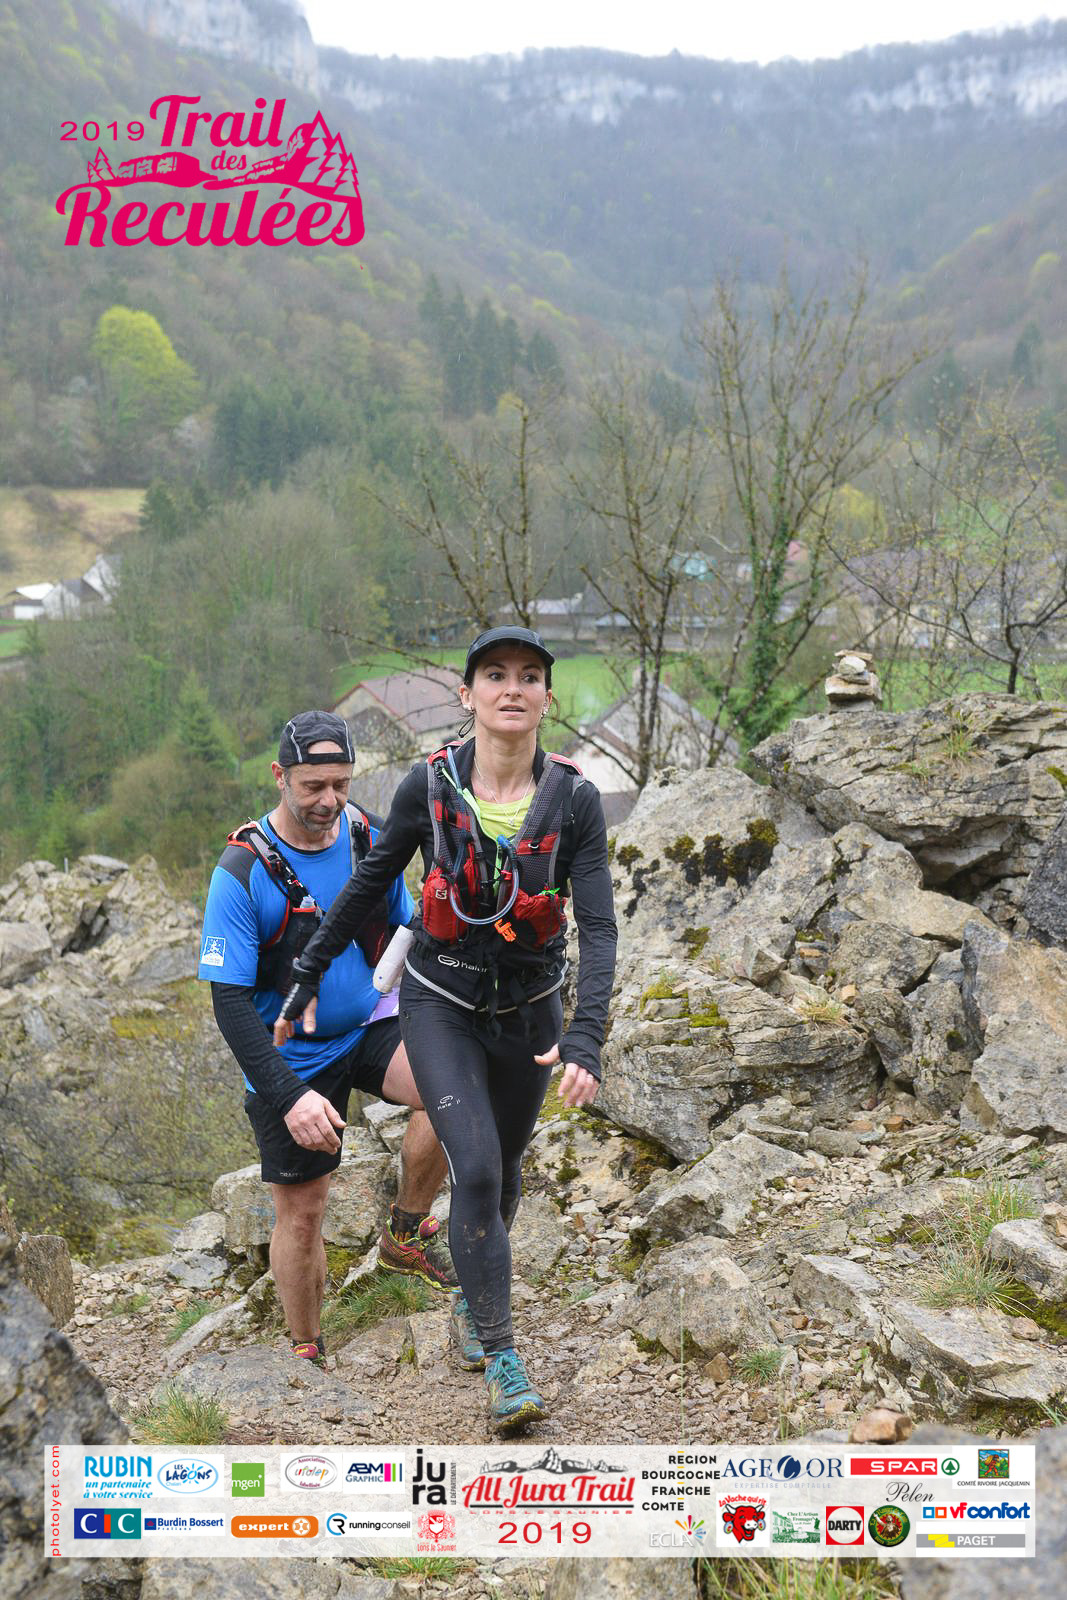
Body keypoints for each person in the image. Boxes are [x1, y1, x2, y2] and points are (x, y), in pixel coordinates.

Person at [274, 628, 617, 1430]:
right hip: (440, 1003)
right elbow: (367, 885)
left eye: (528, 676)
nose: (511, 688)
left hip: (531, 1007)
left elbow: (598, 927)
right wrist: (306, 974)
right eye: (494, 675)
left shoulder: (574, 799)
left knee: (508, 1167)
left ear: (546, 698)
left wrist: (586, 1035)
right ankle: (502, 1360)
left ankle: (471, 1300)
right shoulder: (426, 787)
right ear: (467, 695)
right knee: (478, 1167)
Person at [197, 709, 456, 1367]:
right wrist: (288, 1096)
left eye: (341, 783)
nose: (329, 800)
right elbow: (228, 1004)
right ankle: (306, 1352)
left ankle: (404, 1233)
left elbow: (406, 924)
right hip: (289, 1057)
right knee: (305, 1211)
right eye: (313, 786)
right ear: (279, 776)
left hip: (371, 1023)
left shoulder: (367, 835)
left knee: (453, 1088)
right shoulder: (241, 871)